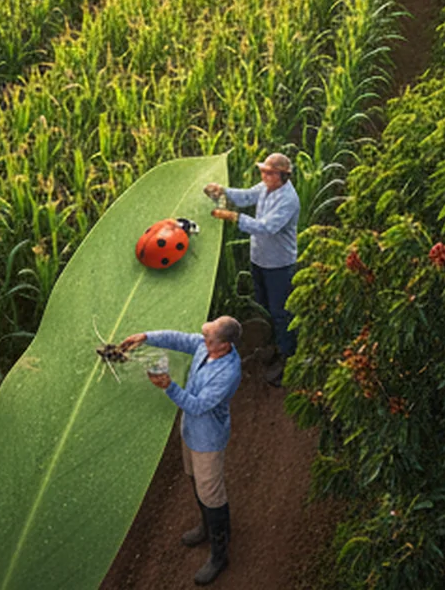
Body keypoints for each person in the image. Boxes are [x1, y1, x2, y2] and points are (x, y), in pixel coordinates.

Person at [120, 317, 243, 585]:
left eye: (208, 336)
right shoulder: (205, 346)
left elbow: (199, 406)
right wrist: (145, 335)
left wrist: (169, 387)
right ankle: (207, 527)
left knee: (211, 493)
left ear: (222, 345)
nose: (202, 337)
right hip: (190, 431)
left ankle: (219, 554)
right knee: (195, 480)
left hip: (207, 440)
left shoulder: (228, 372)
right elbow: (180, 339)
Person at [206, 152, 300, 385]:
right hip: (259, 260)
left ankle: (288, 358)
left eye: (268, 172)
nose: (264, 175)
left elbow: (267, 227)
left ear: (282, 176)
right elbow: (247, 195)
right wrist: (224, 191)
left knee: (281, 312)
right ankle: (273, 344)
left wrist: (235, 218)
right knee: (264, 307)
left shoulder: (288, 199)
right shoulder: (266, 187)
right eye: (263, 171)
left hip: (279, 264)